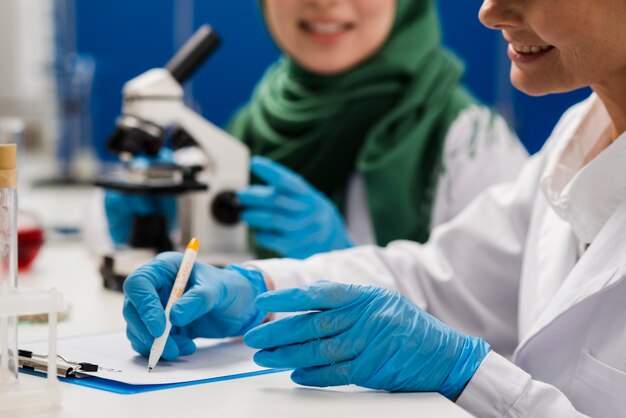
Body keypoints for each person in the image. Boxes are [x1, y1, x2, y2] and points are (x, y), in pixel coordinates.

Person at [123, 0, 626, 415]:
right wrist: (257, 288)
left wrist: (471, 376)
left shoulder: (465, 135)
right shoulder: (580, 135)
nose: (489, 12)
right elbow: (442, 279)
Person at [105, 0, 527, 259]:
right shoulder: (255, 119)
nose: (325, 2)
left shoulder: (471, 142)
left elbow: (501, 322)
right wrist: (157, 227)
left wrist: (350, 266)